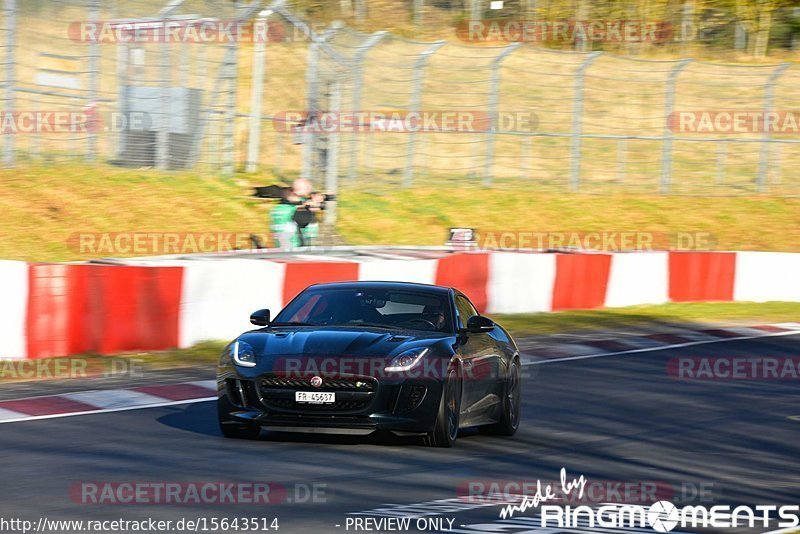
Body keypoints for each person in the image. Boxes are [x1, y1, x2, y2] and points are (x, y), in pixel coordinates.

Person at [269, 178, 326, 249]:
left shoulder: (278, 209)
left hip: (281, 250)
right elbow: (306, 227)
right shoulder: (297, 210)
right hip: (296, 250)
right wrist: (310, 210)